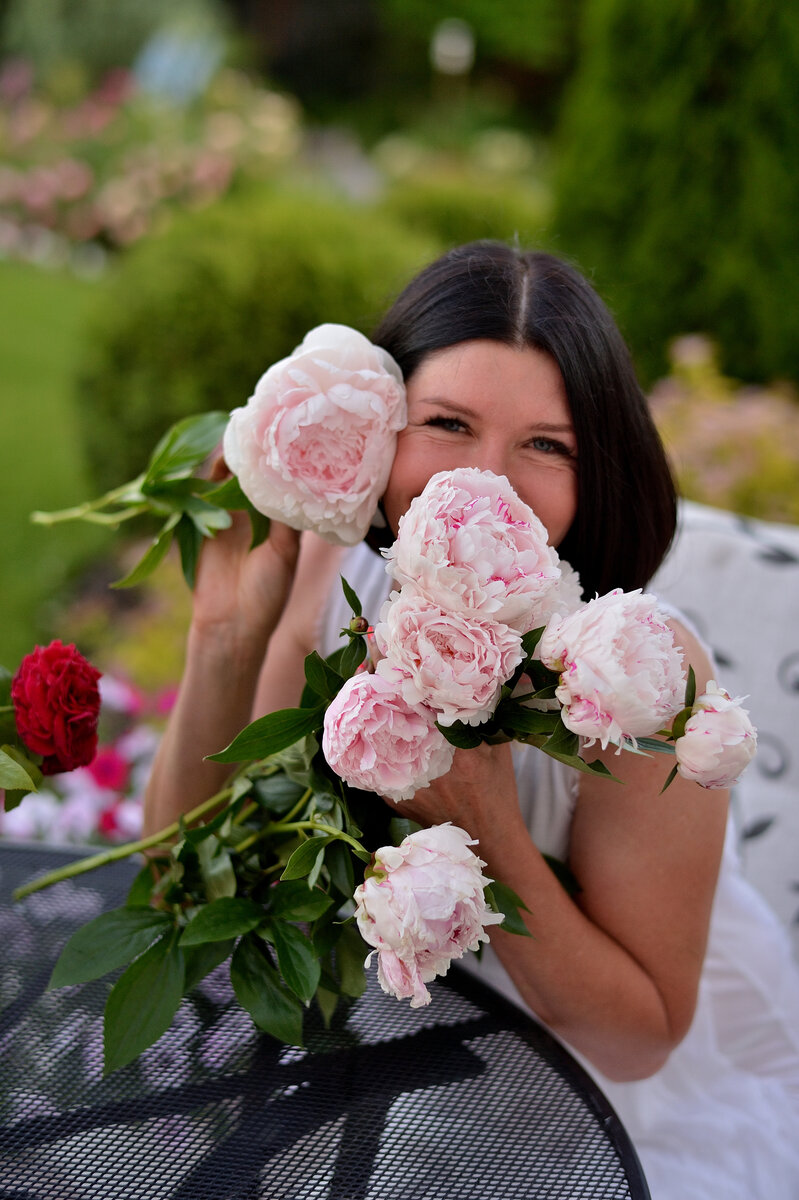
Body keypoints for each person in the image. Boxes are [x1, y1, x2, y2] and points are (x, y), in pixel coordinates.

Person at [144, 242, 799, 1199]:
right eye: (445, 423)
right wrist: (223, 633)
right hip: (365, 1065)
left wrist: (482, 816)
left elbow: (637, 1039)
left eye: (547, 445)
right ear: (381, 437)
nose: (489, 482)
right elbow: (180, 888)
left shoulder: (635, 675)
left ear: (595, 470)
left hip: (584, 1121)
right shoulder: (343, 572)